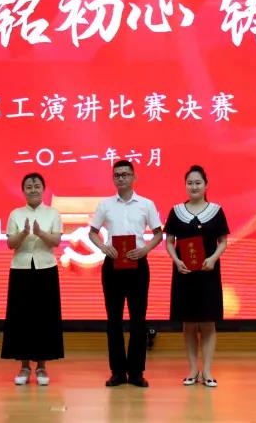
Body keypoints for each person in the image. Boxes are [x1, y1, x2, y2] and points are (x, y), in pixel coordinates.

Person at [88, 159, 163, 388]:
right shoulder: (105, 204)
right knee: (114, 320)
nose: (121, 178)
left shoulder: (146, 204)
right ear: (113, 179)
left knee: (138, 320)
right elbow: (92, 233)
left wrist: (145, 249)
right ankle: (118, 372)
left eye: (125, 174)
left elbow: (158, 234)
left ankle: (137, 372)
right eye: (117, 175)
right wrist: (103, 247)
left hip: (138, 265)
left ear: (134, 177)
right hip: (113, 265)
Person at [165, 164, 229, 387]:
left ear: (206, 185)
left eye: (198, 182)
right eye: (190, 183)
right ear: (185, 185)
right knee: (189, 324)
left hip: (208, 273)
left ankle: (208, 371)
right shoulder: (176, 211)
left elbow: (223, 242)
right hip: (184, 274)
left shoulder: (216, 211)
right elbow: (169, 242)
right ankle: (193, 370)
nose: (194, 186)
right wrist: (177, 260)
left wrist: (212, 259)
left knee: (208, 323)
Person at [1, 172, 65, 385]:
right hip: (21, 269)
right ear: (23, 191)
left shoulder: (53, 213)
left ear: (43, 189)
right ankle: (24, 366)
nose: (33, 190)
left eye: (37, 186)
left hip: (46, 269)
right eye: (29, 187)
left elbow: (56, 241)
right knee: (21, 318)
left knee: (44, 318)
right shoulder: (16, 214)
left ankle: (42, 367)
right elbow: (10, 244)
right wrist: (23, 233)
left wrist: (40, 233)